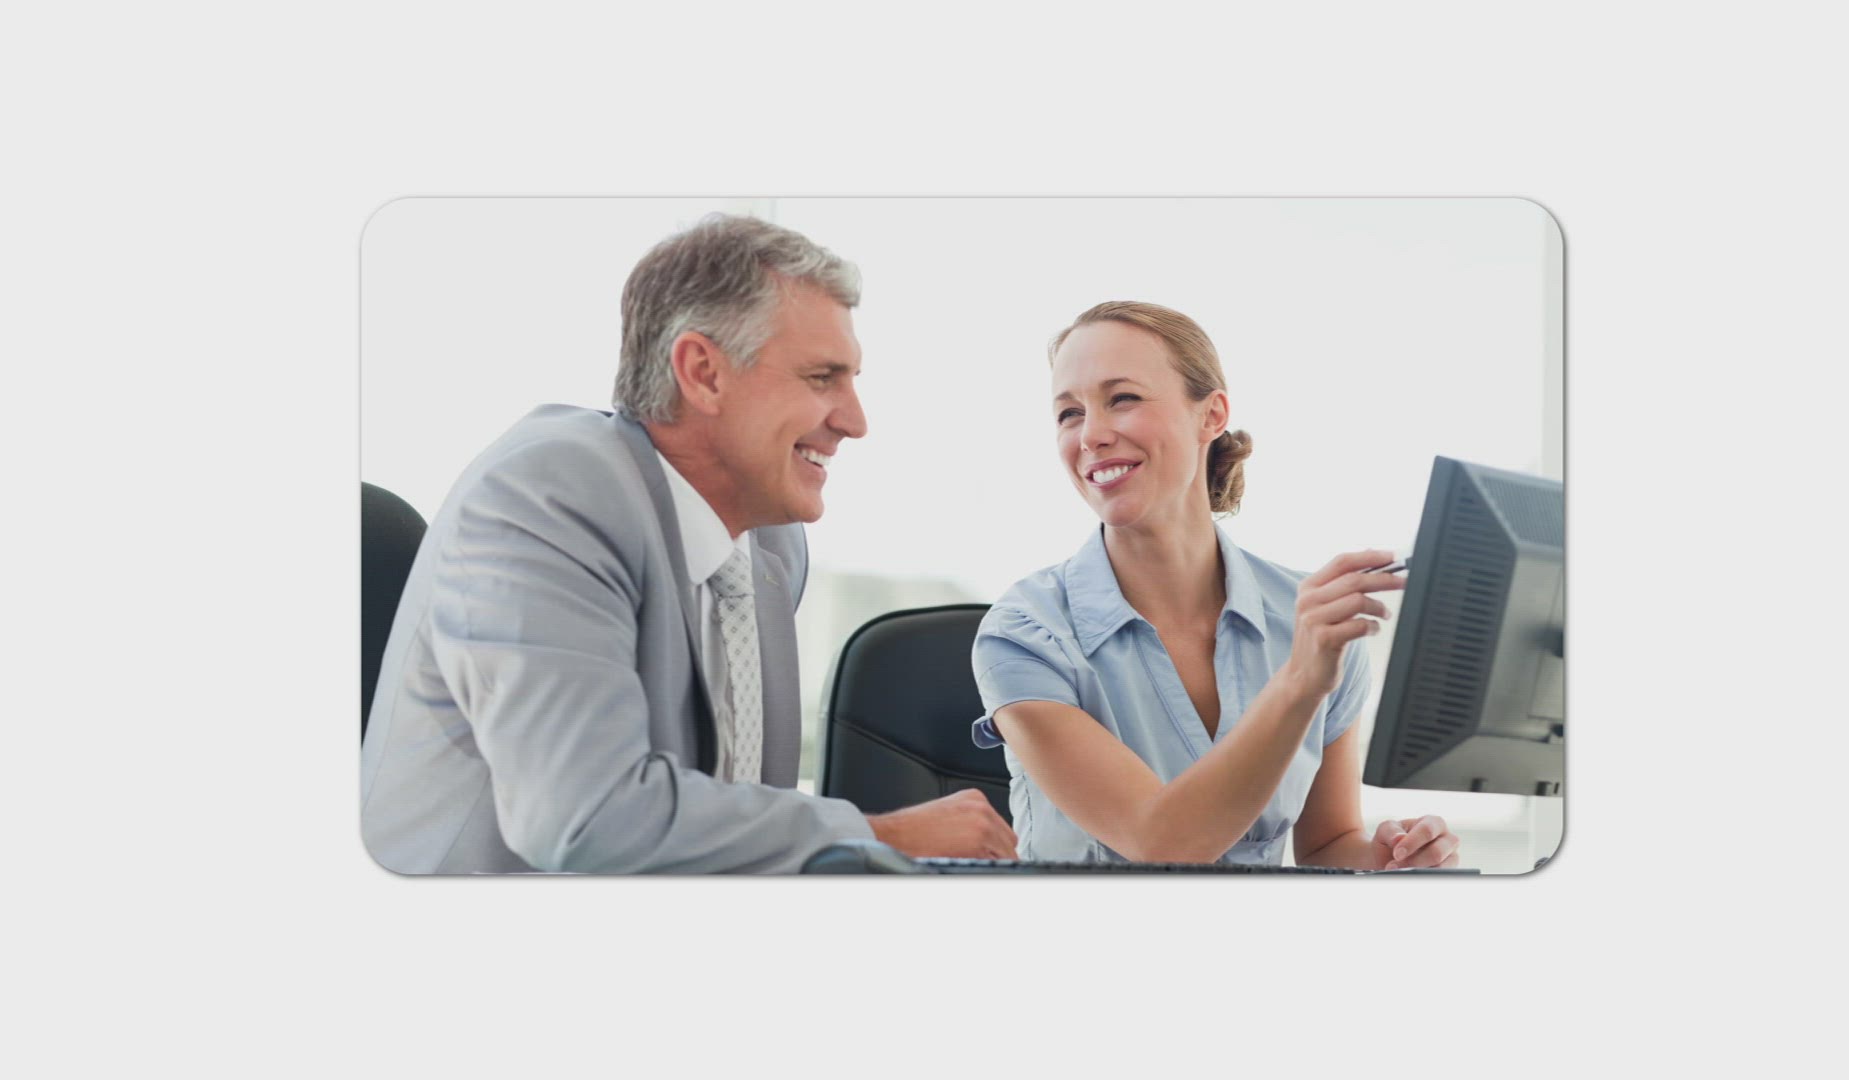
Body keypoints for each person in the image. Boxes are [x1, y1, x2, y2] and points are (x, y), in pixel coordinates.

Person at [362, 214, 1015, 873]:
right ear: (703, 373)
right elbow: (587, 817)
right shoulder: (545, 495)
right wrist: (880, 835)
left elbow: (735, 820)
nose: (855, 420)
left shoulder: (772, 544)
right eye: (823, 378)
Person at [970, 301, 1461, 868]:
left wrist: (1396, 858)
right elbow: (1160, 843)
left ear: (1211, 415)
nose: (1092, 435)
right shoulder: (1023, 635)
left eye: (1122, 398)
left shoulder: (1307, 622)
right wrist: (1299, 683)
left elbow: (1328, 847)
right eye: (1069, 414)